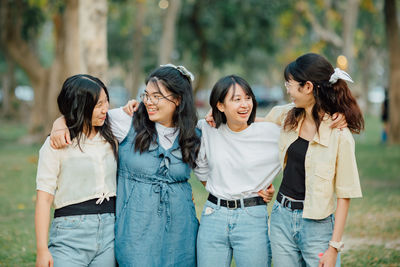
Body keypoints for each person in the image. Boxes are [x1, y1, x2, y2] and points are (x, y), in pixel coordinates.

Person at [50, 65, 201, 266]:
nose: (148, 102)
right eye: (146, 95)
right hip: (136, 229)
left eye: (157, 96)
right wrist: (59, 124)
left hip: (181, 228)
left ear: (178, 99)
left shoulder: (194, 133)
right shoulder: (127, 121)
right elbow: (85, 115)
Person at [264, 53, 363, 267]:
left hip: (318, 227)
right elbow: (253, 123)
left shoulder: (340, 135)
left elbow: (345, 195)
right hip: (281, 219)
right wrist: (216, 117)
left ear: (308, 86)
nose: (287, 90)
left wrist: (333, 247)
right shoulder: (287, 115)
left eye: (289, 84)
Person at [194, 75, 280, 267]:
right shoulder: (207, 129)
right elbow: (201, 168)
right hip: (213, 215)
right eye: (236, 99)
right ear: (220, 105)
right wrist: (223, 187)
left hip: (251, 216)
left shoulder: (270, 132)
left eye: (247, 98)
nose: (245, 104)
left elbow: (300, 116)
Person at [35, 74, 118, 267]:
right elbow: (44, 198)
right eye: (98, 105)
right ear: (80, 106)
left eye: (106, 102)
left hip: (110, 233)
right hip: (69, 234)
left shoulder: (112, 134)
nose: (105, 109)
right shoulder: (56, 144)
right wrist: (41, 250)